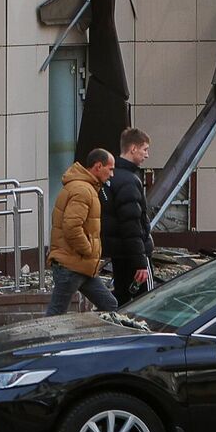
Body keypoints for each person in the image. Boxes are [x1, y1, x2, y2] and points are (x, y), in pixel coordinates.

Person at [45, 148, 119, 316]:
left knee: (110, 305)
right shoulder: (83, 190)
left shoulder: (85, 188)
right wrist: (88, 250)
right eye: (111, 168)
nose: (112, 174)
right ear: (98, 166)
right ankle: (42, 341)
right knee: (55, 315)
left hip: (81, 265)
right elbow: (72, 227)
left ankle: (93, 340)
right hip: (73, 264)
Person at [102, 127, 154, 305]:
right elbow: (132, 225)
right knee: (147, 301)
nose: (146, 155)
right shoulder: (130, 181)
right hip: (134, 254)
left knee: (123, 298)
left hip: (118, 252)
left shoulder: (110, 177)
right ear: (133, 149)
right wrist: (141, 261)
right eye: (145, 149)